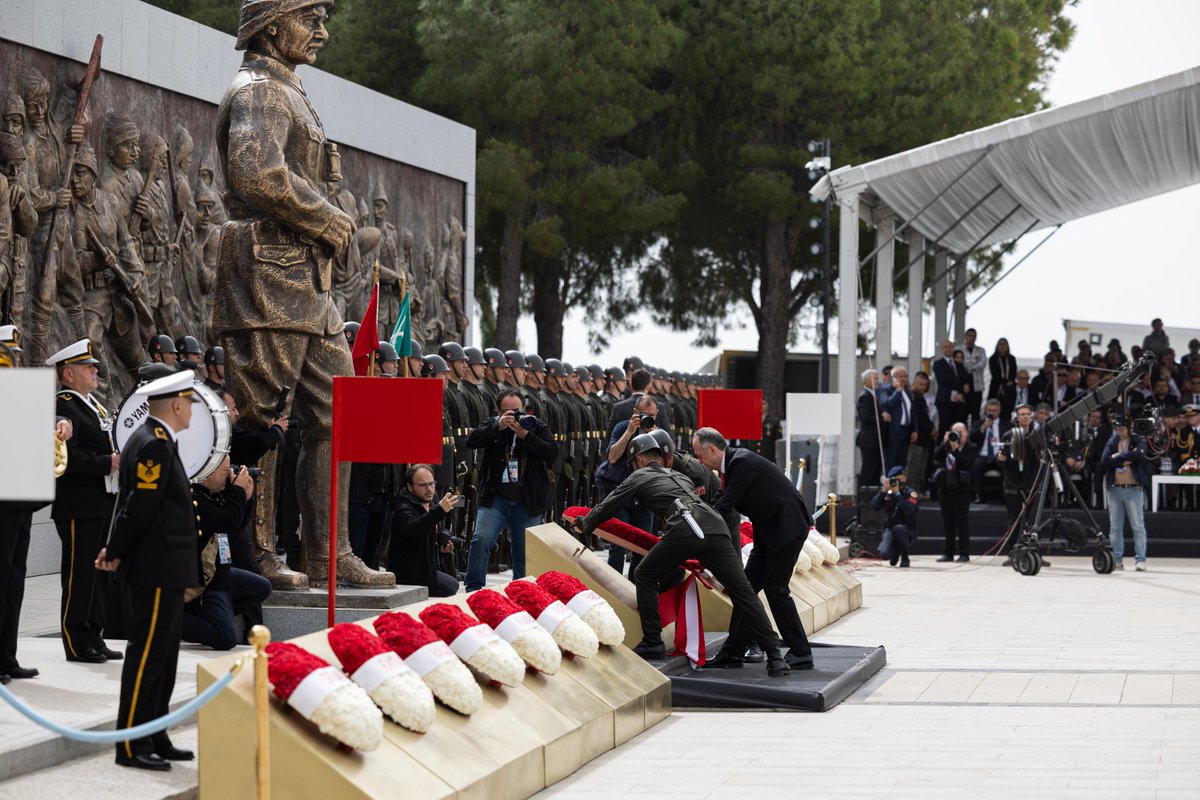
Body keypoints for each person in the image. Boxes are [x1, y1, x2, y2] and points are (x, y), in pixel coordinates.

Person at [573, 434, 789, 676]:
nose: (633, 467)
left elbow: (610, 504)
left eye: (633, 462)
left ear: (640, 458)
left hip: (686, 526)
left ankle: (652, 640)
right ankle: (774, 656)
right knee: (743, 592)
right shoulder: (679, 475)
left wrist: (586, 524)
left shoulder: (640, 475)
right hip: (715, 527)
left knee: (643, 573)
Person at [94, 371, 201, 771]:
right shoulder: (153, 444)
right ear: (175, 405)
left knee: (164, 655)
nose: (192, 408)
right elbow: (138, 506)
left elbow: (131, 503)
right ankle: (131, 744)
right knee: (147, 656)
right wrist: (114, 549)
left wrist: (114, 546)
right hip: (156, 568)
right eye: (189, 401)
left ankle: (155, 732)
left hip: (165, 567)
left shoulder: (154, 440)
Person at [693, 427, 815, 670]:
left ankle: (801, 652)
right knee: (745, 590)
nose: (699, 461)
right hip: (768, 531)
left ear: (713, 450)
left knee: (775, 589)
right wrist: (692, 518)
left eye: (699, 455)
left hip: (787, 527)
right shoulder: (732, 466)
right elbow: (719, 500)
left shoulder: (742, 463)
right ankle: (733, 652)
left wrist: (694, 528)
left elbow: (726, 505)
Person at [47, 339, 123, 664]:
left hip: (101, 501)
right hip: (79, 504)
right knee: (79, 576)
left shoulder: (93, 404)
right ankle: (76, 641)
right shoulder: (64, 405)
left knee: (100, 574)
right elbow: (69, 458)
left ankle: (94, 634)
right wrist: (110, 462)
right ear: (68, 373)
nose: (95, 369)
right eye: (87, 366)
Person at [463, 389, 557, 591]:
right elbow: (471, 441)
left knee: (524, 552)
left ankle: (522, 592)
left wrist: (525, 436)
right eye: (508, 412)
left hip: (527, 501)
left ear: (525, 410)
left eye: (517, 411)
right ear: (498, 411)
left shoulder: (536, 426)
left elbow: (551, 453)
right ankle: (473, 589)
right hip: (496, 498)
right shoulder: (492, 424)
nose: (513, 416)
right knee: (481, 539)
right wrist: (497, 427)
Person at [184, 457, 271, 650]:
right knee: (226, 639)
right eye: (225, 471)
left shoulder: (214, 495)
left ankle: (213, 615)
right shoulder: (196, 500)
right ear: (207, 473)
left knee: (262, 587)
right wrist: (237, 492)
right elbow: (227, 520)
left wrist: (245, 499)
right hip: (206, 584)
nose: (229, 475)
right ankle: (172, 623)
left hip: (223, 577)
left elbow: (236, 525)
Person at [595, 394, 660, 576]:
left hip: (645, 495)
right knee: (618, 544)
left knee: (642, 545)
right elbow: (613, 456)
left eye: (652, 415)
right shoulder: (623, 427)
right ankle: (614, 585)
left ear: (657, 414)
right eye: (644, 414)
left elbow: (666, 464)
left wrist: (653, 436)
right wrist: (630, 431)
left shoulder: (658, 433)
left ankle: (634, 585)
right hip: (621, 493)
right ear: (635, 412)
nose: (648, 418)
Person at [388, 464, 460, 597]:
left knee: (453, 584)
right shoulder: (403, 507)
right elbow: (414, 529)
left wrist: (441, 548)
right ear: (410, 487)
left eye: (432, 484)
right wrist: (439, 511)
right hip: (410, 573)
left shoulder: (431, 504)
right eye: (423, 485)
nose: (429, 489)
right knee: (450, 586)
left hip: (427, 568)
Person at [1101, 418, 1149, 571]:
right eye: (1117, 428)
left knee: (1137, 526)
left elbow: (1140, 456)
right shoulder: (1113, 439)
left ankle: (1140, 560)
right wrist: (1126, 459)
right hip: (1114, 488)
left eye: (1122, 428)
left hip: (1133, 488)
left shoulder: (1138, 438)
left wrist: (1118, 456)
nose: (1119, 431)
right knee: (1115, 527)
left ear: (1130, 427)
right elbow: (1104, 461)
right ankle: (1117, 560)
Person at [934, 423, 976, 562]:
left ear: (966, 434)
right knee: (948, 522)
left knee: (961, 521)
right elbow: (936, 457)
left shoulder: (971, 448)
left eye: (961, 432)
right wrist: (944, 442)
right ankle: (948, 552)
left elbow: (967, 464)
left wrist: (956, 450)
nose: (958, 435)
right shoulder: (946, 446)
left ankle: (964, 553)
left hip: (962, 489)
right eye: (955, 432)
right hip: (946, 487)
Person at [872, 466, 918, 567]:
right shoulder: (888, 492)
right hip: (890, 528)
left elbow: (908, 510)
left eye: (898, 479)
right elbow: (874, 506)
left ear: (904, 478)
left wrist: (897, 494)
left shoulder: (910, 493)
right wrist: (883, 491)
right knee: (883, 554)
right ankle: (896, 552)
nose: (895, 482)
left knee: (899, 529)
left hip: (907, 530)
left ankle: (905, 556)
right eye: (893, 480)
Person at [970, 399, 1007, 503]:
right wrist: (982, 428)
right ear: (986, 411)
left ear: (999, 411)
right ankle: (979, 495)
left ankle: (1004, 495)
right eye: (989, 410)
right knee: (977, 465)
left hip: (998, 454)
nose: (992, 413)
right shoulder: (978, 423)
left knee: (1006, 464)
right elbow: (971, 437)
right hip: (983, 455)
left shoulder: (1005, 424)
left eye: (994, 410)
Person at [906, 371, 935, 495]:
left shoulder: (921, 398)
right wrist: (931, 427)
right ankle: (911, 492)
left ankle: (917, 491)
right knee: (913, 467)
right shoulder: (912, 397)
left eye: (925, 385)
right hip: (916, 438)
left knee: (921, 468)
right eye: (921, 384)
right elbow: (919, 418)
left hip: (925, 439)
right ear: (914, 383)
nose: (923, 387)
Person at [856, 368, 886, 489]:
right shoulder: (864, 396)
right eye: (875, 378)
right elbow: (865, 417)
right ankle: (865, 495)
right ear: (867, 381)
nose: (878, 381)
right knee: (869, 470)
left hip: (876, 441)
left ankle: (873, 494)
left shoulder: (874, 395)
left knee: (875, 470)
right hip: (869, 440)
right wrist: (882, 417)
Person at [882, 366, 915, 471]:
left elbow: (912, 412)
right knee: (890, 462)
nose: (904, 378)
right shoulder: (886, 389)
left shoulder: (908, 392)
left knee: (901, 463)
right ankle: (888, 487)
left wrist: (915, 429)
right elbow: (888, 403)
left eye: (906, 376)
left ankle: (899, 486)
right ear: (894, 378)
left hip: (905, 431)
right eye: (901, 376)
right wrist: (898, 391)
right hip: (893, 432)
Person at [933, 339, 971, 428]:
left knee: (958, 427)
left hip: (959, 401)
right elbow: (945, 379)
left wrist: (963, 390)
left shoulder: (958, 364)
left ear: (953, 348)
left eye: (950, 347)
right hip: (945, 400)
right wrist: (962, 386)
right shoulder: (938, 364)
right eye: (945, 347)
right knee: (944, 428)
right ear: (942, 349)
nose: (948, 349)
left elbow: (965, 378)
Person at [958, 328, 987, 425]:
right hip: (963, 386)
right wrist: (973, 364)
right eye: (969, 336)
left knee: (976, 412)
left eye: (974, 336)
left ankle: (975, 435)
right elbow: (958, 364)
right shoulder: (959, 349)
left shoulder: (981, 350)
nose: (972, 338)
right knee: (963, 412)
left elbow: (982, 363)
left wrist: (969, 366)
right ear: (965, 337)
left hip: (977, 386)